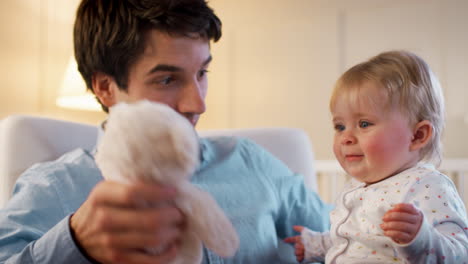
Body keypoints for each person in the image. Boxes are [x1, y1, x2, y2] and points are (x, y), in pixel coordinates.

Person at [0, 0, 331, 263]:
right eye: (167, 79)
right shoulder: (55, 186)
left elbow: (345, 232)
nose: (197, 104)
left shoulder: (251, 160)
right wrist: (74, 245)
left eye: (202, 72)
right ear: (106, 87)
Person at [285, 50, 468, 263]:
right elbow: (354, 240)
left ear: (417, 136)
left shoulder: (427, 185)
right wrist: (316, 245)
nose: (346, 138)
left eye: (364, 124)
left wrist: (421, 239)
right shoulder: (356, 187)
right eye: (340, 126)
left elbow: (460, 254)